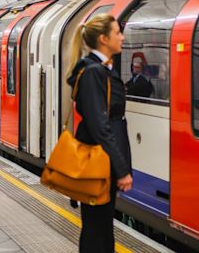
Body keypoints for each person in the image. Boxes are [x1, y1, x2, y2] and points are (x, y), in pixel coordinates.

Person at [66, 13, 133, 253]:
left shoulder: (100, 70)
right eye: (117, 33)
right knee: (97, 229)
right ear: (104, 39)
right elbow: (100, 125)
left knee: (101, 226)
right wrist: (121, 168)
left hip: (100, 161)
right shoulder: (94, 72)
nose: (122, 38)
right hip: (98, 162)